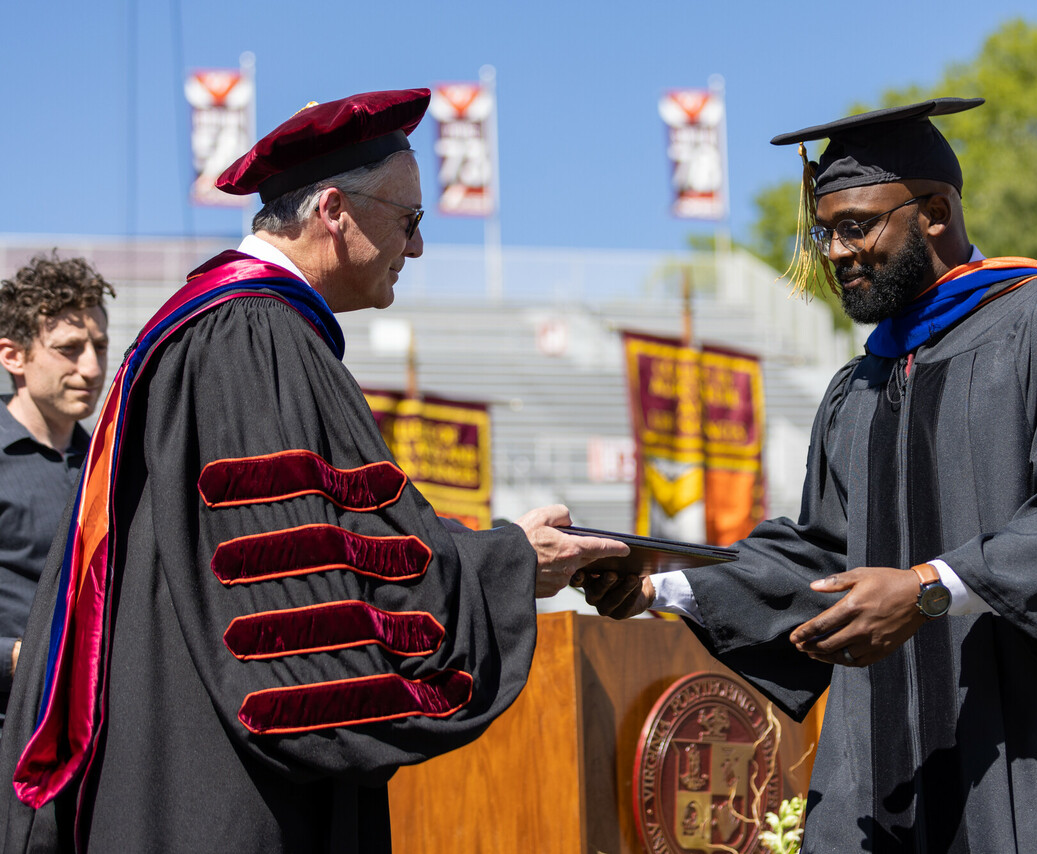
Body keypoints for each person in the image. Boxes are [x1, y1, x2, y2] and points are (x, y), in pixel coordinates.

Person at [0, 88, 627, 853]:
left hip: (176, 758)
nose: (419, 248)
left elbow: (331, 542)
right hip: (228, 798)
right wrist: (510, 561)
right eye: (409, 221)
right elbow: (307, 592)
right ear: (334, 211)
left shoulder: (219, 331)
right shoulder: (254, 340)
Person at [581, 98, 1037, 853]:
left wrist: (928, 588)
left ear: (934, 212)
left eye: (855, 226)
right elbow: (821, 556)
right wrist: (663, 580)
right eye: (824, 232)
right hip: (887, 775)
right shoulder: (859, 388)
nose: (834, 252)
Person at [0, 255, 113, 736]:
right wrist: (16, 655)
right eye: (69, 348)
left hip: (93, 738)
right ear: (13, 356)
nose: (91, 367)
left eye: (99, 346)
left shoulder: (111, 463)